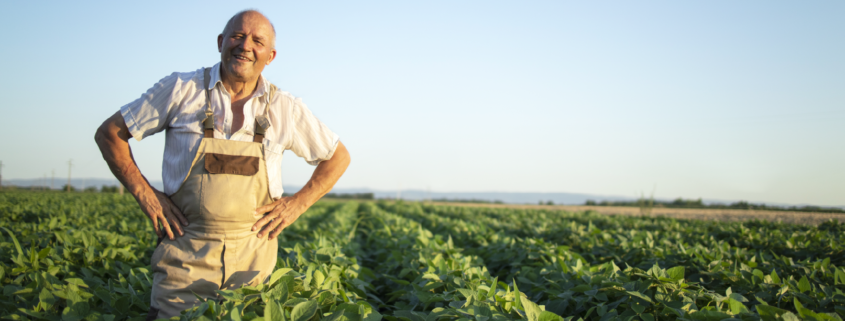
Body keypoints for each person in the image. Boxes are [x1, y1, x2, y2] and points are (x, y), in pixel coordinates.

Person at [94, 10, 351, 320]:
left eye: (257, 41)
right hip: (183, 268)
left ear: (270, 56)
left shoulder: (284, 107)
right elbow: (110, 134)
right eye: (237, 36)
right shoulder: (181, 89)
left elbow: (337, 157)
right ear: (220, 42)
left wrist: (298, 203)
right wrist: (146, 193)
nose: (245, 46)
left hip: (251, 274)